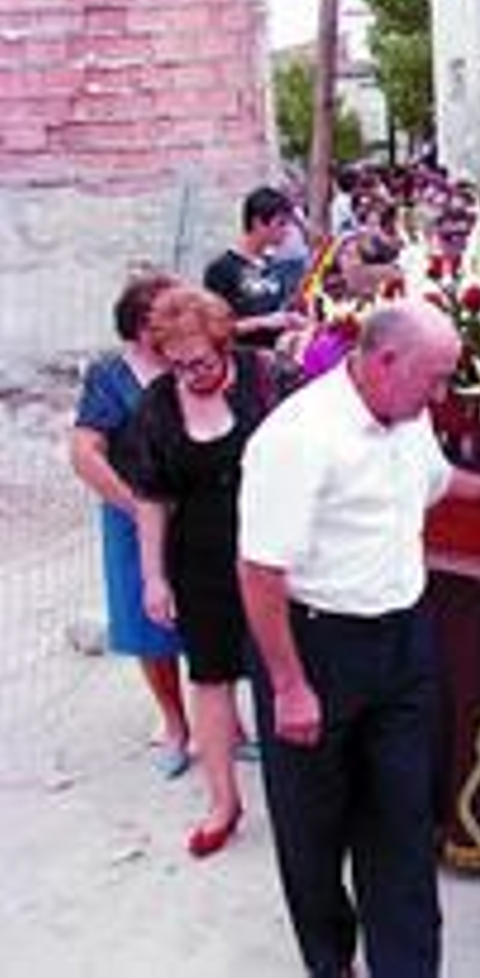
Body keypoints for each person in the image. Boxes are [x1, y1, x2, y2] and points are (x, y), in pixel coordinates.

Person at [237, 302, 480, 978]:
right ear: (384, 361)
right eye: (434, 378)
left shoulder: (409, 417)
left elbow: (434, 483)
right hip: (314, 648)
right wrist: (290, 686)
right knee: (313, 830)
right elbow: (260, 569)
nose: (440, 394)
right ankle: (331, 960)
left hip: (403, 643)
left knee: (402, 824)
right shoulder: (298, 438)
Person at [124, 285, 280, 856]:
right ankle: (223, 802)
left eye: (204, 362)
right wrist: (154, 577)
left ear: (222, 342)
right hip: (200, 557)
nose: (193, 374)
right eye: (179, 365)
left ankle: (298, 793)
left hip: (273, 549)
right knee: (210, 676)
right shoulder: (159, 405)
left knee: (284, 666)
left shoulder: (265, 378)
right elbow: (149, 495)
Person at [69, 271, 189, 778]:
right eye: (172, 315)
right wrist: (136, 506)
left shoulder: (192, 361)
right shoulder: (110, 376)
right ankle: (176, 726)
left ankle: (224, 724)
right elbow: (84, 452)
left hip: (197, 514)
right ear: (143, 327)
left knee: (208, 620)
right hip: (131, 518)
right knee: (150, 627)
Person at [203, 185, 308, 350]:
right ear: (258, 223)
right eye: (281, 224)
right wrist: (262, 322)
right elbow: (215, 328)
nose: (287, 231)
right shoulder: (222, 268)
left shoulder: (272, 262)